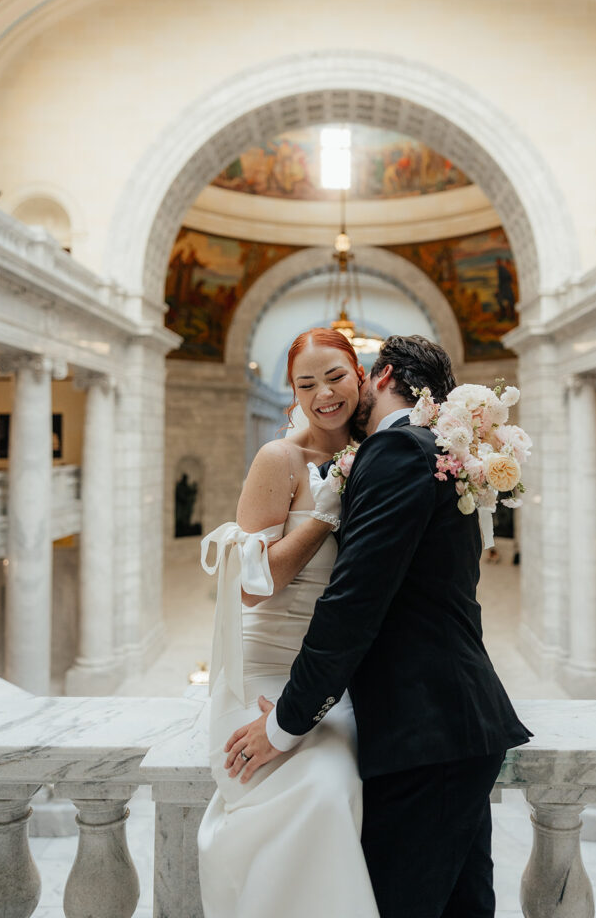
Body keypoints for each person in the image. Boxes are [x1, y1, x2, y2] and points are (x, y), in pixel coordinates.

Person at [226, 335, 533, 918]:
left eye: (347, 377)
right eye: (306, 385)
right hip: (454, 726)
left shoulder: (396, 453)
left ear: (378, 375)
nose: (336, 394)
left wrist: (287, 723)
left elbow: (352, 605)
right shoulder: (434, 453)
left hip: (428, 731)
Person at [197, 328, 379, 918]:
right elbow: (254, 588)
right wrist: (325, 516)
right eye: (307, 384)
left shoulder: (381, 450)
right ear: (293, 393)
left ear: (359, 374)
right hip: (267, 670)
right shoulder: (280, 459)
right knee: (321, 795)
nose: (324, 394)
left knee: (346, 784)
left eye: (335, 377)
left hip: (332, 675)